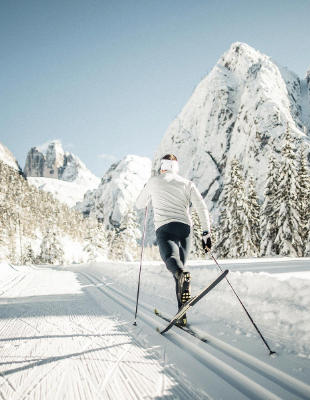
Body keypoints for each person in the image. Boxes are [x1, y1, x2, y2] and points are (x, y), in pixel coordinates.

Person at [135, 154, 212, 326]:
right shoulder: (187, 183)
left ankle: (181, 310)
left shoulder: (154, 181)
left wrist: (146, 188)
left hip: (165, 228)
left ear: (162, 167)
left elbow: (139, 204)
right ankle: (181, 314)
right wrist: (206, 233)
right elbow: (201, 206)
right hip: (185, 229)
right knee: (181, 271)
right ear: (176, 168)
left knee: (174, 264)